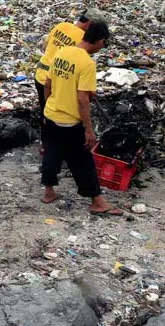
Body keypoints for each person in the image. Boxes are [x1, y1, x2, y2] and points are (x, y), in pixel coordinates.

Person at [40, 21, 123, 216]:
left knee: (51, 153)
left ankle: (49, 192)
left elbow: (48, 83)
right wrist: (88, 129)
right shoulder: (87, 63)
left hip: (51, 114)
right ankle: (97, 202)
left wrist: (50, 104)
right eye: (104, 43)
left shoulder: (62, 52)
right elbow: (82, 98)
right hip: (70, 121)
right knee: (83, 160)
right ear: (100, 40)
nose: (103, 47)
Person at [34, 9, 105, 133]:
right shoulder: (83, 39)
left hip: (40, 74)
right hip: (56, 80)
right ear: (90, 24)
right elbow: (78, 65)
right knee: (62, 114)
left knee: (45, 110)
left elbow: (45, 47)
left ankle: (45, 138)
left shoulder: (62, 25)